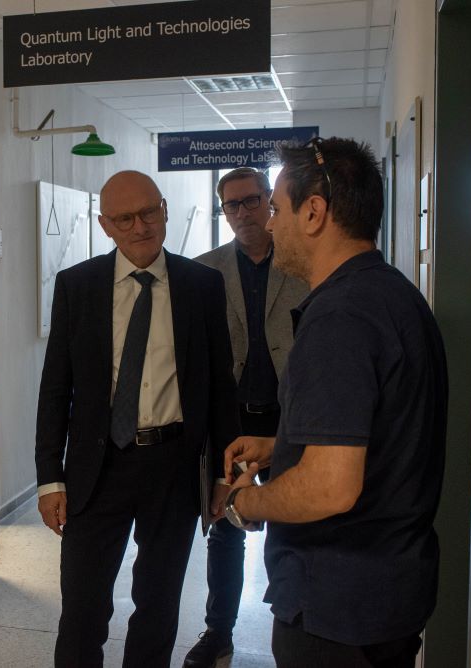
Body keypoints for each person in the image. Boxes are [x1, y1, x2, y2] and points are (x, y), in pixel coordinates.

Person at [220, 138, 448, 667]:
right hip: (388, 594)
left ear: (314, 212)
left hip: (335, 607)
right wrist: (283, 446)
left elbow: (330, 487)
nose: (269, 224)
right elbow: (381, 434)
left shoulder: (338, 318)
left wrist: (242, 503)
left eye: (277, 209)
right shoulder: (393, 294)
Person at [35, 170, 241, 668]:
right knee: (83, 607)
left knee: (159, 602)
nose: (140, 226)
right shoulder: (77, 285)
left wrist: (223, 474)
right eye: (124, 218)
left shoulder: (202, 285)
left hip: (173, 465)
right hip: (96, 468)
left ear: (164, 210)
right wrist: (49, 478)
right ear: (105, 225)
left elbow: (219, 385)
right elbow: (56, 387)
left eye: (148, 212)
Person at [185, 167, 308, 666]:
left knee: (293, 524)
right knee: (226, 526)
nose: (242, 213)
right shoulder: (205, 271)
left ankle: (294, 627)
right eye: (231, 205)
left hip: (291, 420)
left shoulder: (301, 262)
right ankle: (218, 631)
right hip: (232, 421)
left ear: (268, 202)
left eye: (252, 201)